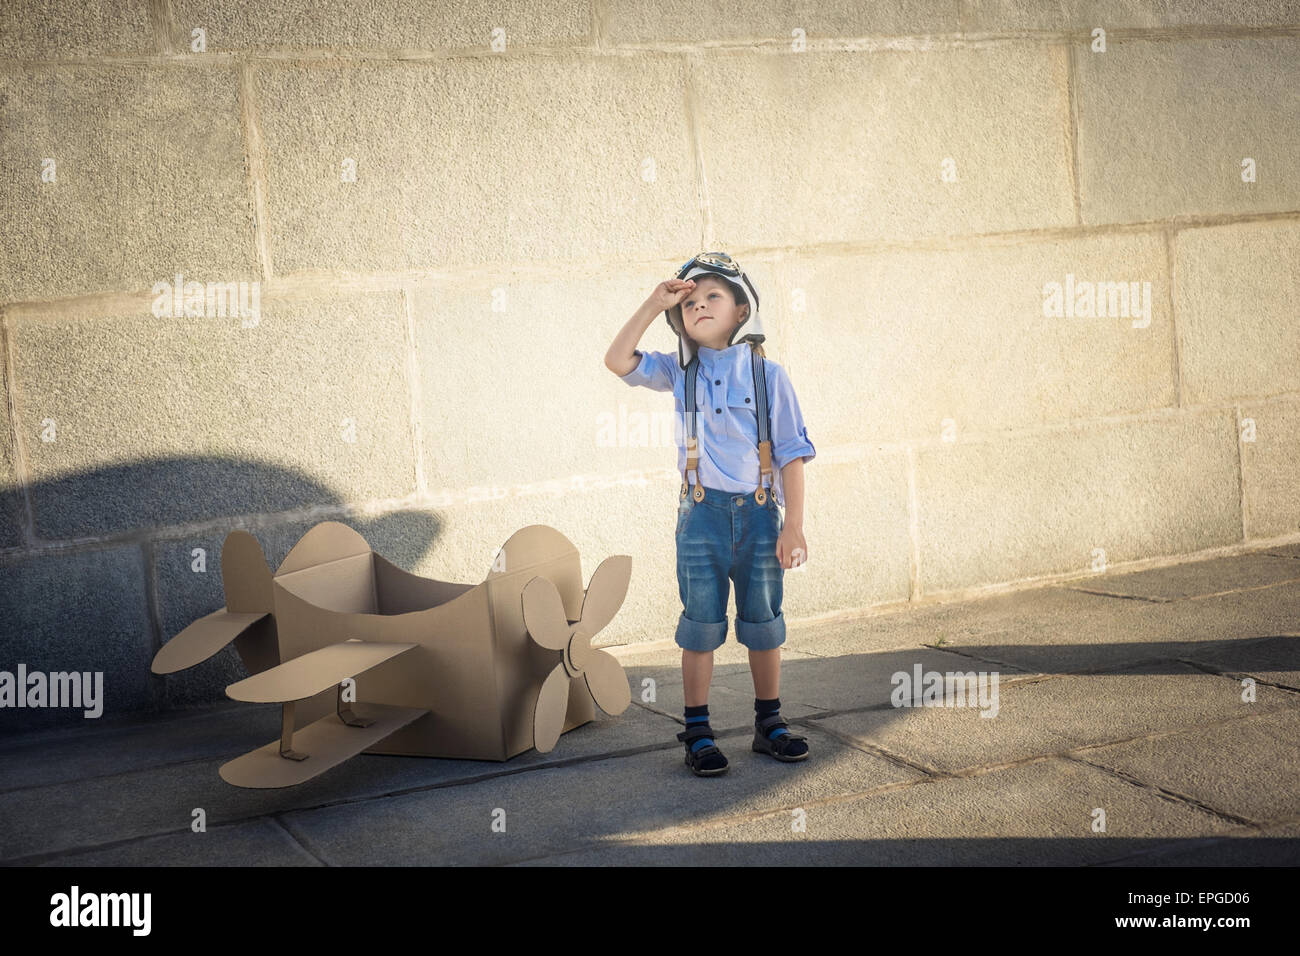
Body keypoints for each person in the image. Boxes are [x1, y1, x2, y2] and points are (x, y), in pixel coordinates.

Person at [604, 251, 816, 776]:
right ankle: (697, 731)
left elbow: (791, 453)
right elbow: (617, 359)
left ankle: (769, 723)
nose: (698, 306)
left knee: (763, 621)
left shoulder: (769, 376)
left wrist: (793, 525)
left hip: (760, 516)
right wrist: (655, 304)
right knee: (700, 624)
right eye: (689, 303)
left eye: (712, 296)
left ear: (741, 311)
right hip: (701, 517)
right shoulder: (679, 372)